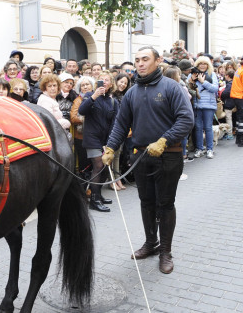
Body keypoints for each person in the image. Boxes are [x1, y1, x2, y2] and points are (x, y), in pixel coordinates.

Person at [102, 46, 194, 274]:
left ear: (158, 60)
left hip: (168, 156)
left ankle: (165, 251)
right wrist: (111, 147)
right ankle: (150, 243)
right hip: (141, 156)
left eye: (145, 59)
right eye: (137, 60)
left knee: (165, 204)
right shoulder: (132, 92)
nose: (140, 64)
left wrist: (165, 140)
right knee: (146, 202)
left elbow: (186, 119)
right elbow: (121, 124)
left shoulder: (171, 87)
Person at [78, 70, 118, 212]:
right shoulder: (90, 95)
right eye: (102, 79)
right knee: (98, 165)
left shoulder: (113, 101)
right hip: (92, 138)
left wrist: (111, 141)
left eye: (107, 80)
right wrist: (94, 96)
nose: (104, 82)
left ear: (111, 83)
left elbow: (115, 122)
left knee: (106, 167)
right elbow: (82, 111)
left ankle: (98, 194)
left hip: (106, 139)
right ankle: (94, 199)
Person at [188, 57, 218, 159]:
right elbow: (189, 88)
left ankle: (210, 149)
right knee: (198, 128)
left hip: (209, 105)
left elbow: (215, 89)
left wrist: (203, 81)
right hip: (197, 105)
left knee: (208, 127)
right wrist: (192, 79)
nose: (202, 65)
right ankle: (199, 149)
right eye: (200, 63)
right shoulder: (192, 74)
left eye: (205, 63)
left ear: (208, 65)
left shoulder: (212, 74)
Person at [71, 76, 94, 182]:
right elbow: (73, 118)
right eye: (83, 85)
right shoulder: (78, 100)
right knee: (84, 163)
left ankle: (94, 185)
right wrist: (87, 119)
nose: (85, 87)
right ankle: (85, 186)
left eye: (87, 84)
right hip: (81, 136)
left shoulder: (97, 97)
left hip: (95, 136)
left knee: (94, 162)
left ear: (92, 86)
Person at [230, 63, 243, 147]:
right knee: (241, 119)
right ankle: (241, 139)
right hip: (240, 96)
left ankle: (239, 138)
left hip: (237, 95)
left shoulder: (239, 70)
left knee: (239, 118)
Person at [221, 70, 236, 140]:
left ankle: (229, 134)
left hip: (229, 103)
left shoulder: (230, 84)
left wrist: (221, 93)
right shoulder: (234, 83)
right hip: (234, 102)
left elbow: (225, 93)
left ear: (228, 76)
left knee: (228, 118)